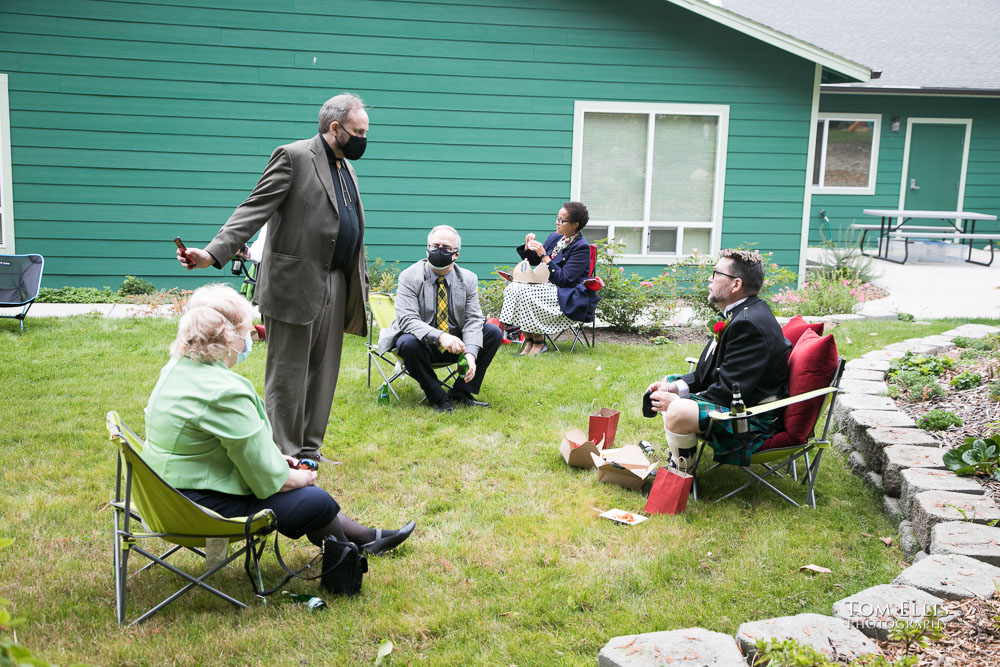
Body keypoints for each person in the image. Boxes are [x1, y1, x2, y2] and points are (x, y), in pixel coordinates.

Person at [143, 284, 415, 554]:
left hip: (162, 497)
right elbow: (268, 479)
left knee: (305, 494)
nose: (249, 339)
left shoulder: (176, 369)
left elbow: (215, 446)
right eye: (247, 331)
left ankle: (366, 539)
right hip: (198, 509)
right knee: (314, 499)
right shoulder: (225, 391)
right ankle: (347, 558)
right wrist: (302, 477)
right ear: (228, 336)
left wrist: (277, 461)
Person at [176, 93, 371, 462]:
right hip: (295, 283)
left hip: (336, 281)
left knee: (323, 373)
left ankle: (310, 449)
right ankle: (283, 452)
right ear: (335, 128)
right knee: (288, 374)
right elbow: (254, 208)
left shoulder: (346, 167)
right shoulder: (294, 157)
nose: (363, 139)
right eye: (358, 131)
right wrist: (212, 252)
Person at [645, 249, 790, 471]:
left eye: (716, 273)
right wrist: (674, 388)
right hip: (739, 402)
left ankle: (679, 471)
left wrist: (678, 402)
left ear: (736, 285)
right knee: (670, 383)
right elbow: (707, 372)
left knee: (678, 410)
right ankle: (680, 457)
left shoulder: (748, 324)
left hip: (751, 419)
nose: (710, 279)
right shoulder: (742, 314)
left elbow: (729, 393)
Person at [378, 225, 502, 412]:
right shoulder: (409, 276)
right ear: (427, 248)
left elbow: (473, 319)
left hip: (456, 344)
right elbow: (407, 319)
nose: (439, 250)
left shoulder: (468, 279)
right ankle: (437, 397)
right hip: (422, 344)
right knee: (408, 343)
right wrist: (441, 336)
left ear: (456, 254)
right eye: (435, 245)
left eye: (445, 248)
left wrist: (470, 353)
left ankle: (461, 392)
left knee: (492, 332)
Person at [499, 201, 599, 356]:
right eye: (557, 218)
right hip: (544, 286)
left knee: (526, 292)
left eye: (561, 220)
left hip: (567, 294)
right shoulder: (555, 237)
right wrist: (528, 247)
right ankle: (529, 342)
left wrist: (544, 255)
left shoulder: (581, 247)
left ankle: (539, 344)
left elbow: (564, 280)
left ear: (575, 225)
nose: (556, 222)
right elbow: (535, 262)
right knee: (514, 287)